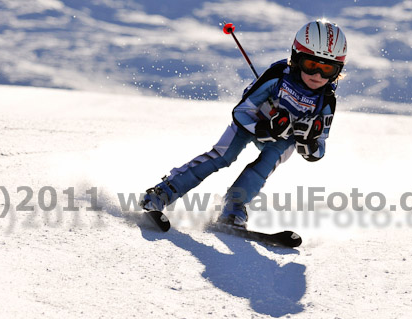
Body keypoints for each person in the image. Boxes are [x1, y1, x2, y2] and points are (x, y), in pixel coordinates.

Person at [140, 19, 348, 228]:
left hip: (283, 138)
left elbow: (318, 150)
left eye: (327, 69)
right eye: (311, 65)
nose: (317, 75)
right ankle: (162, 193)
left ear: (337, 71)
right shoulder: (278, 76)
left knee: (264, 165)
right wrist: (264, 128)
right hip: (251, 122)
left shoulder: (326, 100)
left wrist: (308, 141)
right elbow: (240, 112)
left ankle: (234, 208)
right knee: (223, 156)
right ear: (296, 58)